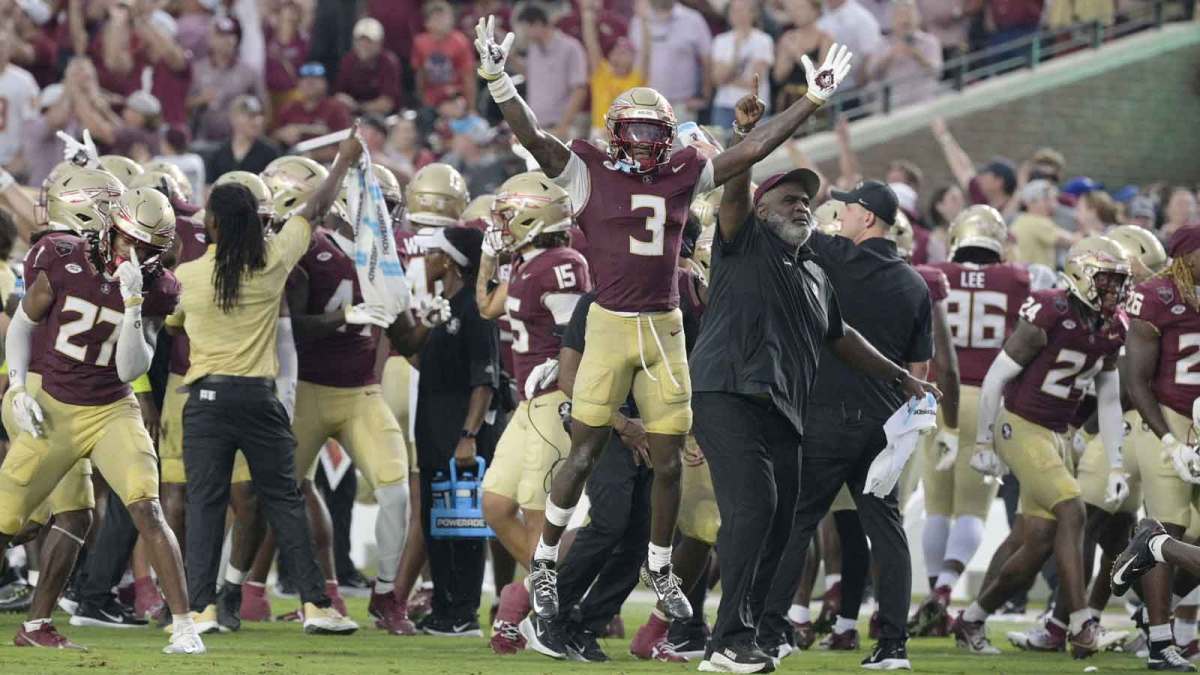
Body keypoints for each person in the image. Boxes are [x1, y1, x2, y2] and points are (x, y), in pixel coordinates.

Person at [473, 11, 854, 626]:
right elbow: (535, 135)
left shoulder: (684, 172)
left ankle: (659, 562)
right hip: (608, 324)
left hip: (665, 326)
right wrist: (497, 82)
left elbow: (753, 150)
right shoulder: (585, 169)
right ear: (617, 131)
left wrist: (811, 100)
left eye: (657, 130)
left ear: (669, 133)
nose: (648, 140)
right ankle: (545, 561)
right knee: (585, 452)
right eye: (639, 129)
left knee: (670, 457)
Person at [166, 132, 364, 636]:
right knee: (284, 500)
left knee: (206, 506)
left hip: (206, 400)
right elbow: (315, 210)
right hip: (258, 397)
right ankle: (316, 606)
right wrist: (341, 161)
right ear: (254, 221)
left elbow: (171, 325)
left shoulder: (188, 276)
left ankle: (202, 610)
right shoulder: (272, 262)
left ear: (211, 224)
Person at [1, 164, 204, 654]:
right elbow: (23, 324)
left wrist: (134, 305)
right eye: (126, 241)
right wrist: (18, 387)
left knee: (142, 505)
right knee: (12, 523)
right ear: (109, 226)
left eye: (146, 248)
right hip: (48, 399)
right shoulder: (60, 254)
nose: (130, 254)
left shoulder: (160, 288)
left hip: (112, 406)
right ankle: (34, 617)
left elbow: (128, 367)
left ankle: (184, 626)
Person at [754, 181, 938, 671]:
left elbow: (781, 216)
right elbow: (918, 372)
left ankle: (770, 632)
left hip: (825, 416)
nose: (840, 212)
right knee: (887, 530)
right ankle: (893, 645)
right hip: (883, 424)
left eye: (849, 206)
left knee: (794, 524)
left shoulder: (835, 256)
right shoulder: (915, 283)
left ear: (869, 219)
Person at [952, 236, 1132, 659]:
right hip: (1021, 425)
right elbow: (997, 377)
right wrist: (983, 439)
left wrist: (1118, 464)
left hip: (1058, 434)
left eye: (1119, 282)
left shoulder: (1112, 325)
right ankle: (1081, 623)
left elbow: (1108, 399)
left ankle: (973, 619)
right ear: (1081, 274)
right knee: (1073, 508)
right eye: (1107, 280)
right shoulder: (1050, 309)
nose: (1115, 291)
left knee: (1035, 541)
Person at [285, 175, 413, 637]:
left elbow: (406, 336)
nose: (386, 216)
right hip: (307, 388)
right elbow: (290, 328)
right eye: (379, 205)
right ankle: (303, 593)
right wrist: (345, 316)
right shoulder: (311, 249)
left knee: (396, 491)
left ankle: (385, 594)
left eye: (391, 207)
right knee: (276, 496)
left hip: (361, 391)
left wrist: (430, 320)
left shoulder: (385, 258)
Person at [476, 173, 591, 647]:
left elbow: (575, 335)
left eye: (506, 215)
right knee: (495, 504)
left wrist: (558, 374)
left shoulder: (563, 264)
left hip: (553, 402)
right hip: (528, 403)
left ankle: (531, 608)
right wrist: (489, 254)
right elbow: (486, 307)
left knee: (538, 515)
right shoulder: (527, 262)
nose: (500, 224)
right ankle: (545, 594)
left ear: (531, 215)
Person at [910, 205, 1031, 637]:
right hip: (988, 398)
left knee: (937, 504)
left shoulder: (931, 273)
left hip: (937, 394)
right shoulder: (1019, 279)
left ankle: (932, 595)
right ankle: (944, 593)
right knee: (974, 508)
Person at [387, 225, 500, 637]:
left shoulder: (476, 307)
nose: (427, 258)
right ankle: (444, 608)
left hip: (459, 435)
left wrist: (468, 437)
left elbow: (484, 381)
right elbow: (430, 364)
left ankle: (463, 613)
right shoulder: (445, 305)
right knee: (438, 521)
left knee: (465, 524)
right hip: (436, 431)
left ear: (451, 261)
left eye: (435, 252)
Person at [1121, 225, 1200, 670]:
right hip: (1167, 419)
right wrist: (1170, 440)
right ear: (1186, 257)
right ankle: (1160, 640)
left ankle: (1157, 611)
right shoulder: (1156, 295)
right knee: (1167, 524)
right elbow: (1135, 380)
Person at [517, 5, 589, 141]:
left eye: (525, 28)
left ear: (537, 24)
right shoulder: (533, 49)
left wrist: (564, 126)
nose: (524, 34)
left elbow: (580, 89)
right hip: (536, 128)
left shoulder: (571, 47)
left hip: (561, 129)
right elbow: (531, 76)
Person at [710, 0, 774, 129]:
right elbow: (717, 79)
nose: (738, 15)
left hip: (754, 108)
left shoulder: (763, 40)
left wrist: (728, 79)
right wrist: (736, 52)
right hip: (724, 106)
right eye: (734, 11)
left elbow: (753, 82)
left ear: (753, 13)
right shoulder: (720, 41)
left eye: (742, 10)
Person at [336, 17, 404, 116]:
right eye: (360, 40)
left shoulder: (389, 62)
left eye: (369, 41)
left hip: (386, 118)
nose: (363, 45)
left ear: (380, 43)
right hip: (355, 116)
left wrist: (357, 106)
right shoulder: (348, 60)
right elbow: (339, 96)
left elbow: (386, 105)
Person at [205, 95, 282, 180]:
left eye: (259, 116)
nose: (258, 121)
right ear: (234, 118)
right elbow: (208, 188)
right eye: (251, 116)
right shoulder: (218, 153)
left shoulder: (269, 152)